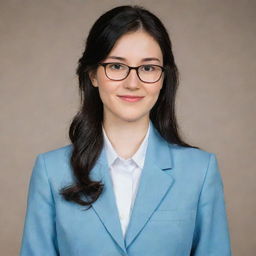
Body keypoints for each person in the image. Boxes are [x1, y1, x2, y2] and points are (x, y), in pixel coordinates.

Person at [20, 5, 232, 256]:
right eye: (117, 66)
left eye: (148, 68)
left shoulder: (200, 170)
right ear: (93, 75)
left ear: (164, 79)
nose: (133, 83)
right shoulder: (51, 171)